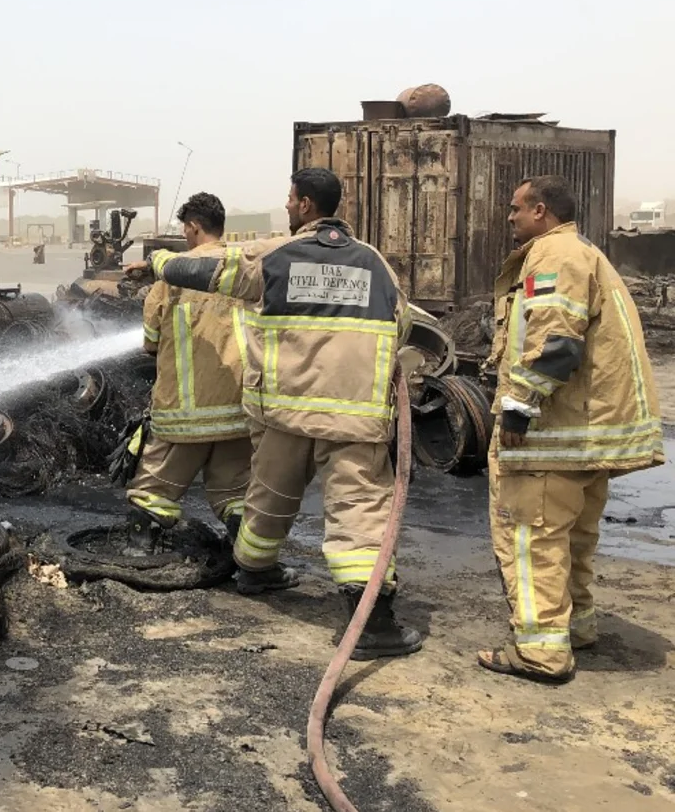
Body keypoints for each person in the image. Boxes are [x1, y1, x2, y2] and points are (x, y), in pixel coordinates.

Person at [125, 167, 422, 660]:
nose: (285, 206)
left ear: (305, 205)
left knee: (267, 499)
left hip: (282, 411)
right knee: (358, 514)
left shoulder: (277, 258)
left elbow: (208, 273)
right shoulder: (376, 264)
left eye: (289, 200)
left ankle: (253, 573)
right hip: (353, 417)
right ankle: (372, 625)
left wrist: (158, 261)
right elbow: (404, 325)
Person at [479, 176, 664, 684]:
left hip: (551, 438)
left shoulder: (553, 255)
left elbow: (556, 340)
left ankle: (541, 654)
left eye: (515, 208)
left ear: (540, 210)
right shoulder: (585, 253)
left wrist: (518, 406)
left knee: (531, 538)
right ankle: (576, 628)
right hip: (585, 436)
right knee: (573, 539)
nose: (510, 217)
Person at [124, 193, 252, 556]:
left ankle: (137, 555)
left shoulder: (173, 277)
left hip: (184, 410)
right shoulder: (245, 271)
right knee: (235, 493)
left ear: (194, 227)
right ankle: (248, 562)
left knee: (154, 489)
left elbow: (150, 342)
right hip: (238, 409)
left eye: (185, 230)